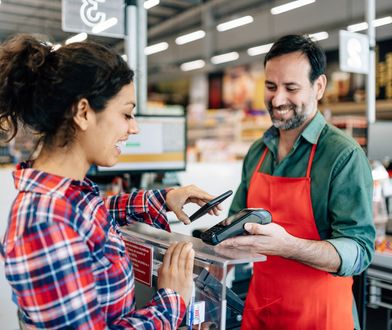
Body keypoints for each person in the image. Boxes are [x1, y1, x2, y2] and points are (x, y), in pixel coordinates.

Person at [0, 34, 220, 329]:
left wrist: (162, 199)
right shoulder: (46, 221)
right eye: (126, 113)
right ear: (83, 112)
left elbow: (91, 214)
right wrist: (172, 301)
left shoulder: (67, 194)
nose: (135, 127)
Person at [220, 34, 375, 330]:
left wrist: (289, 246)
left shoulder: (342, 156)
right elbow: (237, 221)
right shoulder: (258, 151)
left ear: (319, 87)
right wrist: (216, 243)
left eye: (291, 88)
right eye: (270, 87)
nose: (277, 100)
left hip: (321, 316)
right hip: (262, 310)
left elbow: (359, 251)